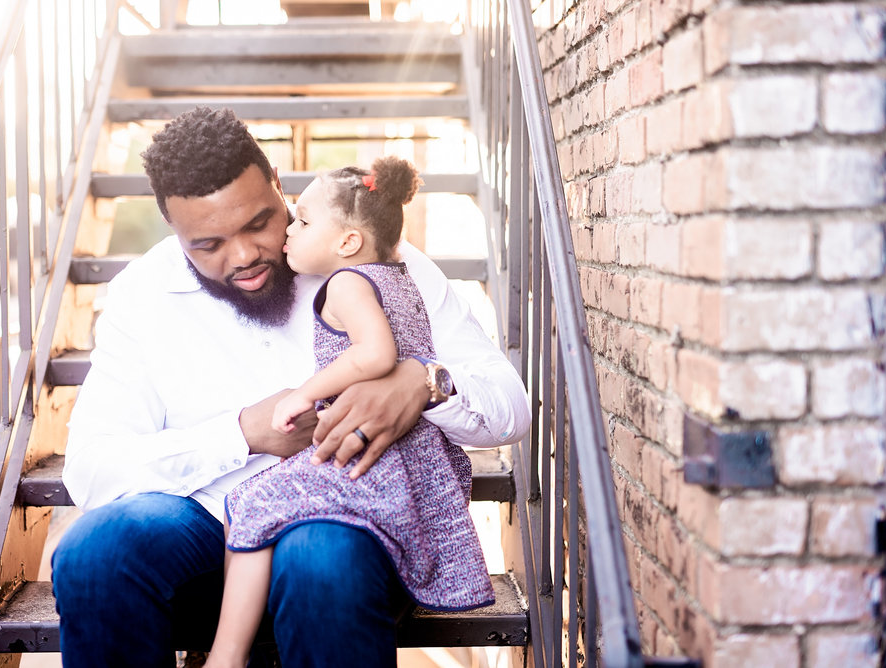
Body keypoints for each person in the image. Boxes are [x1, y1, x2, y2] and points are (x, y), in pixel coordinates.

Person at [52, 106, 530, 668]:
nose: (245, 255)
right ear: (174, 231)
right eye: (209, 244)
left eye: (260, 223)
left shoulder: (373, 258)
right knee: (93, 554)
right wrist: (241, 435)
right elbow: (90, 468)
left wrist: (425, 383)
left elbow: (510, 407)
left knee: (319, 558)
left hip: (351, 527)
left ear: (280, 185)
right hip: (208, 526)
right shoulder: (143, 295)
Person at [203, 156, 496, 668]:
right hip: (411, 459)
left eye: (304, 220)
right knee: (265, 510)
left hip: (376, 458)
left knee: (248, 505)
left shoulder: (346, 284)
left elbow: (376, 354)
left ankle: (225, 658)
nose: (289, 231)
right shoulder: (399, 277)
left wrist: (303, 393)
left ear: (347, 243)